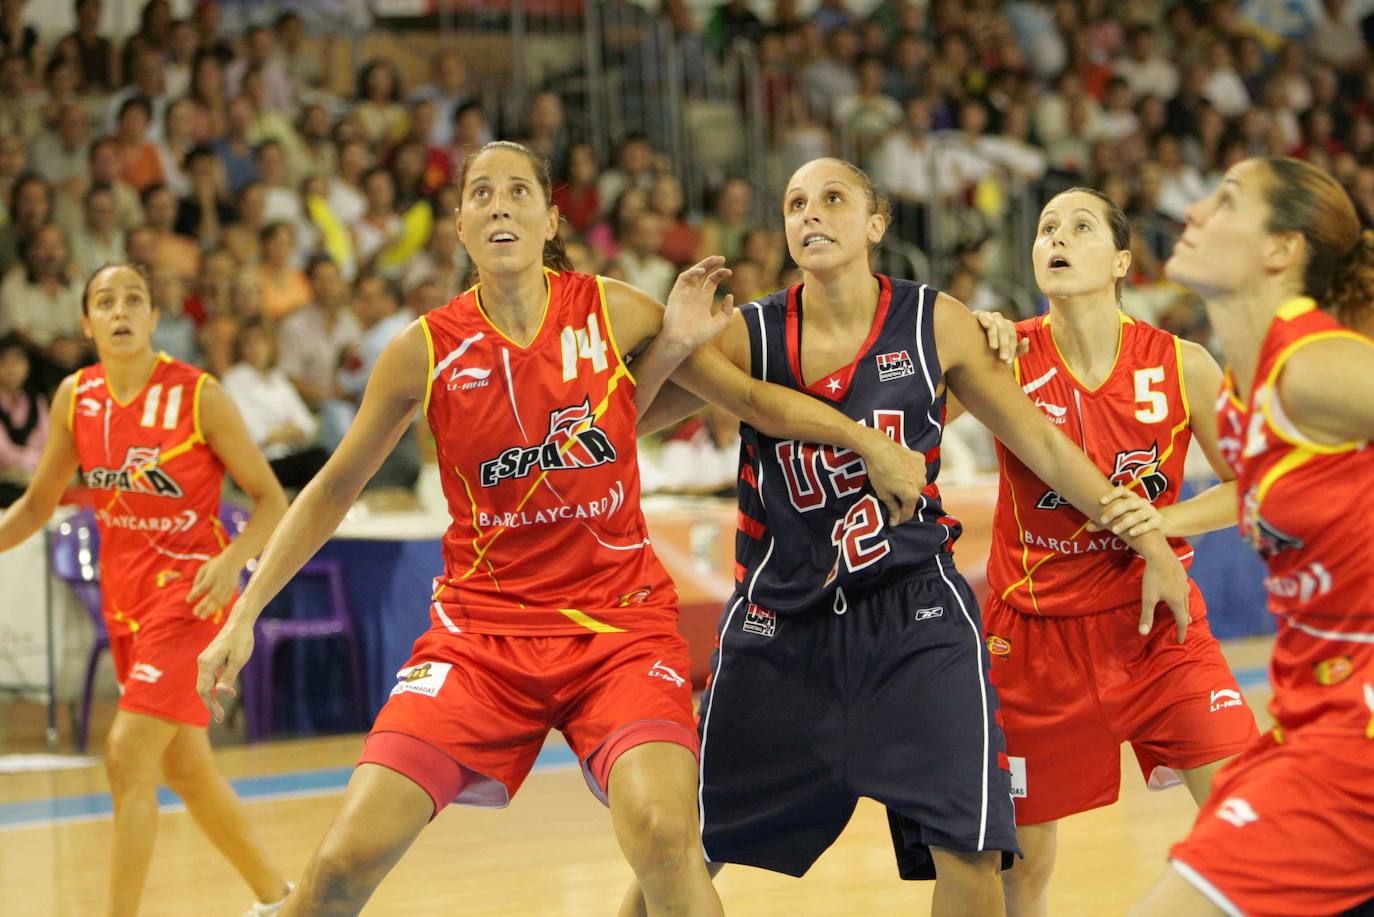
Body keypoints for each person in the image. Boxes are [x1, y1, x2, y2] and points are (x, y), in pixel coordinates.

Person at [193, 141, 927, 916]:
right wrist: (244, 612)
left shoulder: (612, 309)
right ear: (460, 225)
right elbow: (333, 486)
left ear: (550, 219)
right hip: (479, 637)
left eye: (518, 191)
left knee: (666, 841)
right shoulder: (423, 350)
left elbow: (751, 397)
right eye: (481, 193)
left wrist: (870, 440)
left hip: (619, 630)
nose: (500, 204)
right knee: (342, 862)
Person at [625, 157, 1191, 915]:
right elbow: (619, 422)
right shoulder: (750, 332)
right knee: (682, 848)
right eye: (795, 202)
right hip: (780, 624)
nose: (811, 214)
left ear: (877, 224)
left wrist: (1149, 538)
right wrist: (673, 344)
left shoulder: (935, 320)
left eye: (833, 199)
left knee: (972, 850)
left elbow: (1047, 447)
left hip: (914, 615)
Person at [960, 187, 1259, 916]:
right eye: (1045, 228)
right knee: (1020, 869)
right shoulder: (1001, 354)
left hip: (1157, 623)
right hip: (1033, 638)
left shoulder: (1181, 363)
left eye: (1080, 225)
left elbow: (1250, 486)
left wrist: (1159, 520)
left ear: (1121, 259)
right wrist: (960, 336)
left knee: (1252, 815)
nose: (1056, 236)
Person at [0, 264, 292, 917]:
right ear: (86, 322)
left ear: (156, 316)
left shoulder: (199, 395)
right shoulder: (76, 397)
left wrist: (235, 561)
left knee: (128, 753)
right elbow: (34, 505)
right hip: (125, 601)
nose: (121, 309)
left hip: (192, 596)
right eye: (106, 301)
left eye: (134, 298)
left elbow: (271, 501)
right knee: (186, 771)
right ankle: (281, 900)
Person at [1127, 158, 1374, 916]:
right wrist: (1163, 521)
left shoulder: (1315, 368)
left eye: (1227, 199)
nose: (1194, 208)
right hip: (1308, 714)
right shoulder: (1241, 393)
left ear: (1281, 249)